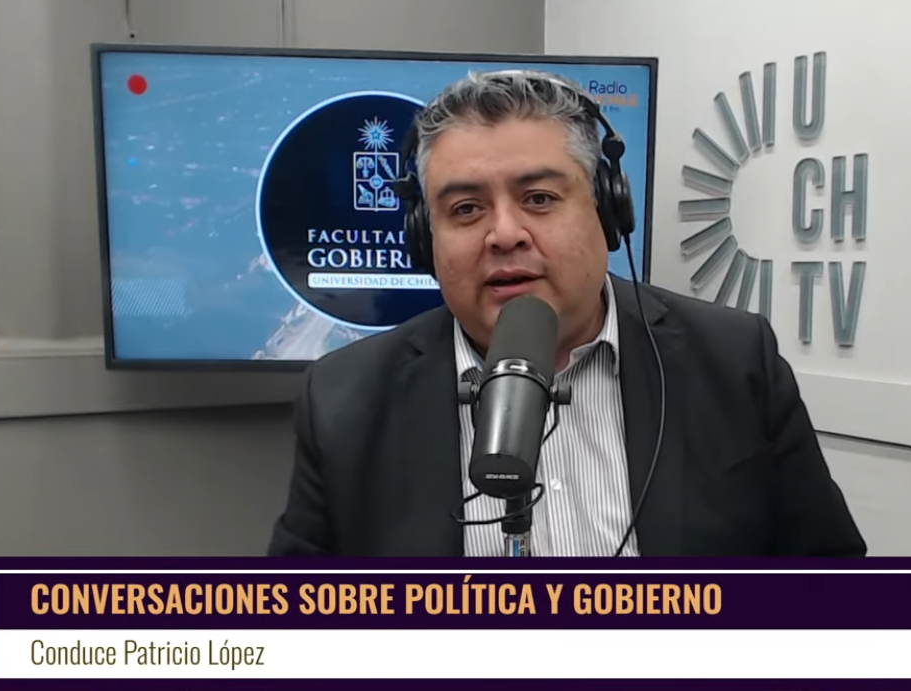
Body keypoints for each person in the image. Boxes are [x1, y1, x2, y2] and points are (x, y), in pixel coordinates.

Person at [266, 69, 866, 558]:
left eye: (540, 198)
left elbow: (831, 582)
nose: (504, 233)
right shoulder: (344, 399)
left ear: (607, 211)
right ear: (426, 238)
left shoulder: (733, 360)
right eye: (467, 208)